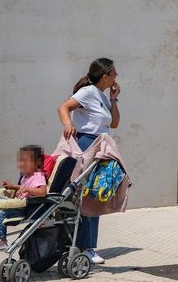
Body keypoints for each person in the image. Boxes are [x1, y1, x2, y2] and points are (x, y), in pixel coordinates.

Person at [57, 57, 120, 264]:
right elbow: (63, 107)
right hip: (87, 145)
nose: (116, 76)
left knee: (96, 194)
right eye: (114, 73)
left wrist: (113, 99)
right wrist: (68, 125)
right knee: (87, 196)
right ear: (105, 75)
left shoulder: (101, 96)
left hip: (101, 146)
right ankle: (86, 247)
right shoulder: (87, 92)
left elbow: (115, 123)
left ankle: (87, 246)